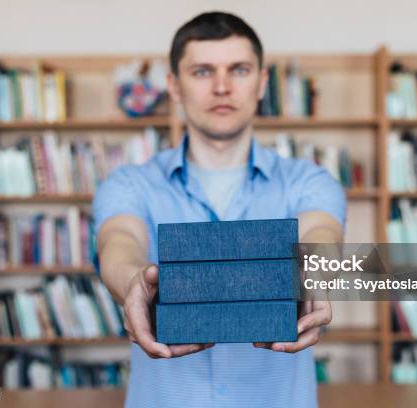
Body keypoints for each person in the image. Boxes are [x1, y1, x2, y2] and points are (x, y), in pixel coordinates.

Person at [93, 11, 346, 408]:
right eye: (202, 72)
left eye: (239, 70)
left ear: (262, 82)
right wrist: (131, 283)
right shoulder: (128, 183)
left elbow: (321, 235)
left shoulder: (310, 181)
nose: (223, 87)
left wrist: (314, 269)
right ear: (174, 86)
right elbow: (119, 241)